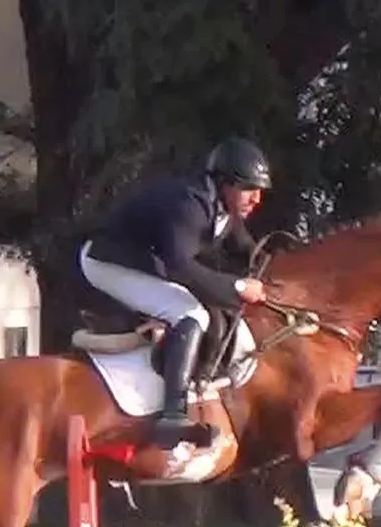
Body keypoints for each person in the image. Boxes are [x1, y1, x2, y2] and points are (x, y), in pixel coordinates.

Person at [78, 136, 272, 445]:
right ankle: (172, 416)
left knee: (206, 307)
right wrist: (237, 287)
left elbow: (250, 251)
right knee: (189, 311)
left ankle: (196, 385)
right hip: (105, 262)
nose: (257, 199)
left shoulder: (224, 210)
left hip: (143, 263)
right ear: (225, 183)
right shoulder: (190, 204)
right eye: (249, 189)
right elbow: (180, 268)